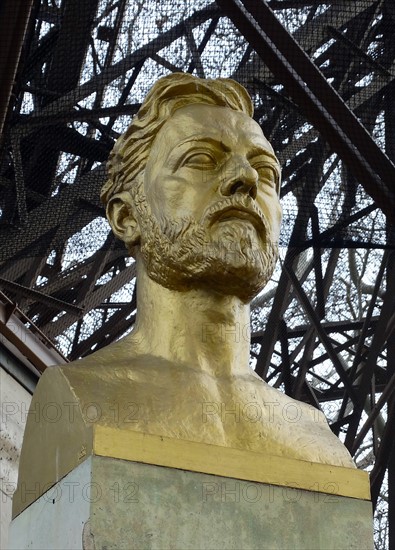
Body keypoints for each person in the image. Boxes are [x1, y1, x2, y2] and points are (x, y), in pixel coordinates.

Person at [16, 74, 354, 510]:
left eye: (266, 171)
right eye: (200, 159)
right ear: (126, 217)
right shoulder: (79, 398)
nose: (245, 178)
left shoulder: (319, 442)